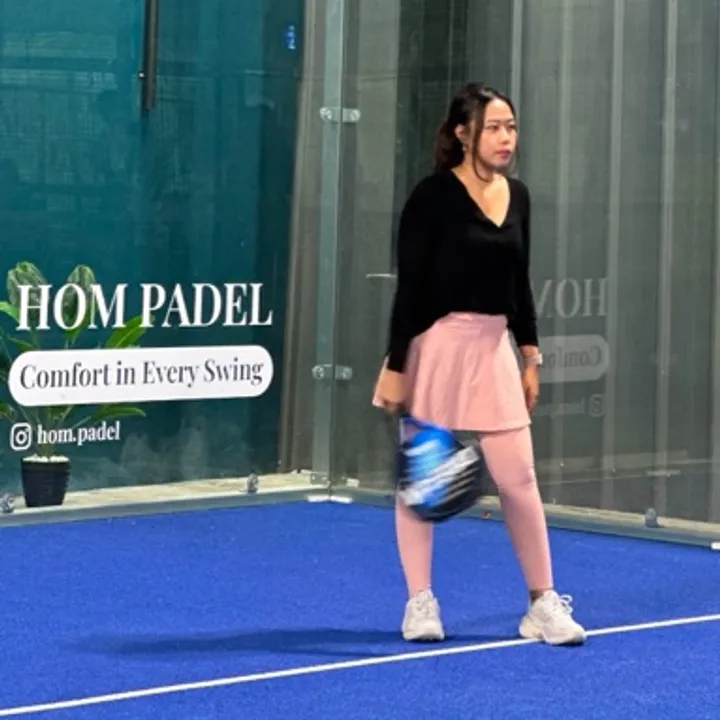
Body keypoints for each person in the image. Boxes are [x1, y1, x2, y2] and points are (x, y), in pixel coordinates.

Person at [372, 82, 586, 647]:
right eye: (493, 127)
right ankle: (420, 602)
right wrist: (397, 365)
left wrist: (530, 355)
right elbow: (411, 289)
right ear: (463, 133)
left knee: (520, 479)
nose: (506, 138)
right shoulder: (431, 197)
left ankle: (542, 603)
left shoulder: (520, 197)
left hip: (494, 352)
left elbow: (519, 283)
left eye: (511, 127)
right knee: (423, 479)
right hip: (434, 349)